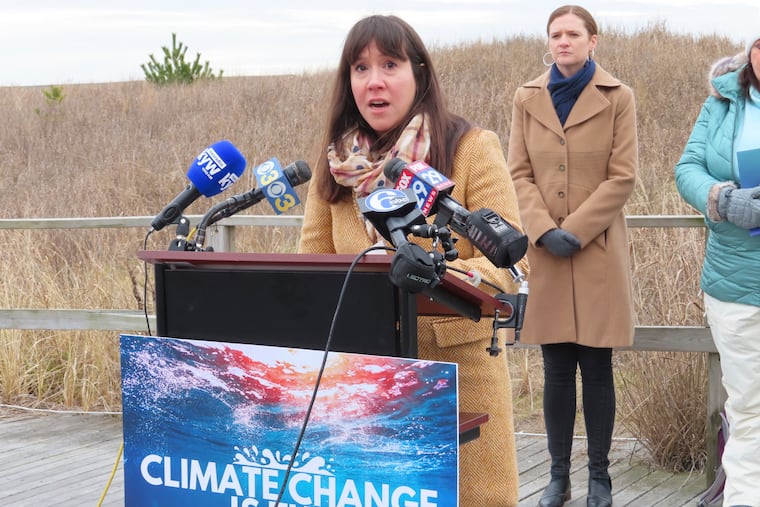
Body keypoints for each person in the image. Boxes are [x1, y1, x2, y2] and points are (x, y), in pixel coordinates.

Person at [297, 14, 530, 507]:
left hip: (458, 378)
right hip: (362, 383)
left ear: (419, 73)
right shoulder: (334, 167)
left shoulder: (470, 149)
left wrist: (441, 274)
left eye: (389, 64)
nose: (374, 80)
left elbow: (510, 273)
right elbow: (311, 272)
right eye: (360, 68)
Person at [506, 5, 638, 507]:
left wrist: (576, 230)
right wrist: (542, 229)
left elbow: (623, 175)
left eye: (572, 34)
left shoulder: (618, 96)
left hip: (597, 249)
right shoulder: (527, 97)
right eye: (555, 34)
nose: (563, 41)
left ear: (592, 41)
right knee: (556, 366)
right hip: (547, 253)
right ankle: (557, 478)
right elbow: (518, 171)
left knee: (597, 366)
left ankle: (599, 478)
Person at [674, 34, 760, 507]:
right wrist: (723, 199)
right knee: (748, 409)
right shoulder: (724, 101)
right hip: (736, 285)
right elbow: (687, 168)